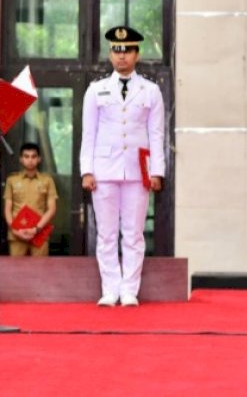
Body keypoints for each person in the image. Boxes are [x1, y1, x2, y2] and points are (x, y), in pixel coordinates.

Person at [80, 26, 165, 307]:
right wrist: (86, 170)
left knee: (133, 234)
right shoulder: (96, 90)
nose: (121, 56)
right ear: (110, 54)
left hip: (138, 171)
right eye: (116, 51)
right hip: (103, 170)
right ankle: (110, 289)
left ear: (137, 54)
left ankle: (129, 290)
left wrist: (157, 171)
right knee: (106, 234)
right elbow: (88, 134)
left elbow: (156, 134)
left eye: (127, 50)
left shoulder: (150, 91)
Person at [3, 142, 58, 257]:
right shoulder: (12, 180)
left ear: (39, 159)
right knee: (15, 267)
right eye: (26, 156)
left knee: (40, 267)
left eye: (33, 156)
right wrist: (15, 229)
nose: (30, 160)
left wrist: (36, 229)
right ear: (21, 159)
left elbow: (52, 209)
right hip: (17, 233)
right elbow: (8, 209)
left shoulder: (47, 181)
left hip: (40, 233)